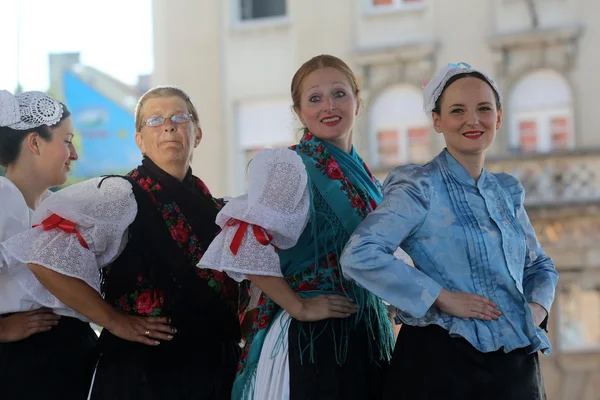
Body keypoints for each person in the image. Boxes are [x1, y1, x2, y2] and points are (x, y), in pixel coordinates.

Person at [0, 86, 243, 399]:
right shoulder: (116, 196)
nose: (169, 126)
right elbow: (40, 256)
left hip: (82, 354)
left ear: (197, 134)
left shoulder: (220, 209)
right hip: (137, 371)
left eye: (179, 118)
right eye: (155, 120)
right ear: (139, 140)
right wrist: (114, 321)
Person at [340, 62, 559, 400]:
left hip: (516, 367)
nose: (473, 120)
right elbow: (360, 254)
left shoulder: (507, 191)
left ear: (498, 117)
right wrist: (442, 297)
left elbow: (540, 266)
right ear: (438, 121)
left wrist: (535, 309)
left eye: (484, 109)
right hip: (441, 364)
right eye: (458, 110)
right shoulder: (418, 186)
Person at [226, 54, 395, 400]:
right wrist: (299, 306)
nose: (328, 106)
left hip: (366, 334)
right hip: (313, 342)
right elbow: (243, 245)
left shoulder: (367, 177)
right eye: (314, 98)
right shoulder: (288, 168)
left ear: (357, 103)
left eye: (339, 94)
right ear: (299, 112)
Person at [0, 90, 96, 399]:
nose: (75, 154)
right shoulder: (4, 196)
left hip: (60, 360)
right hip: (25, 366)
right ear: (35, 142)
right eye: (66, 140)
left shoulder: (55, 205)